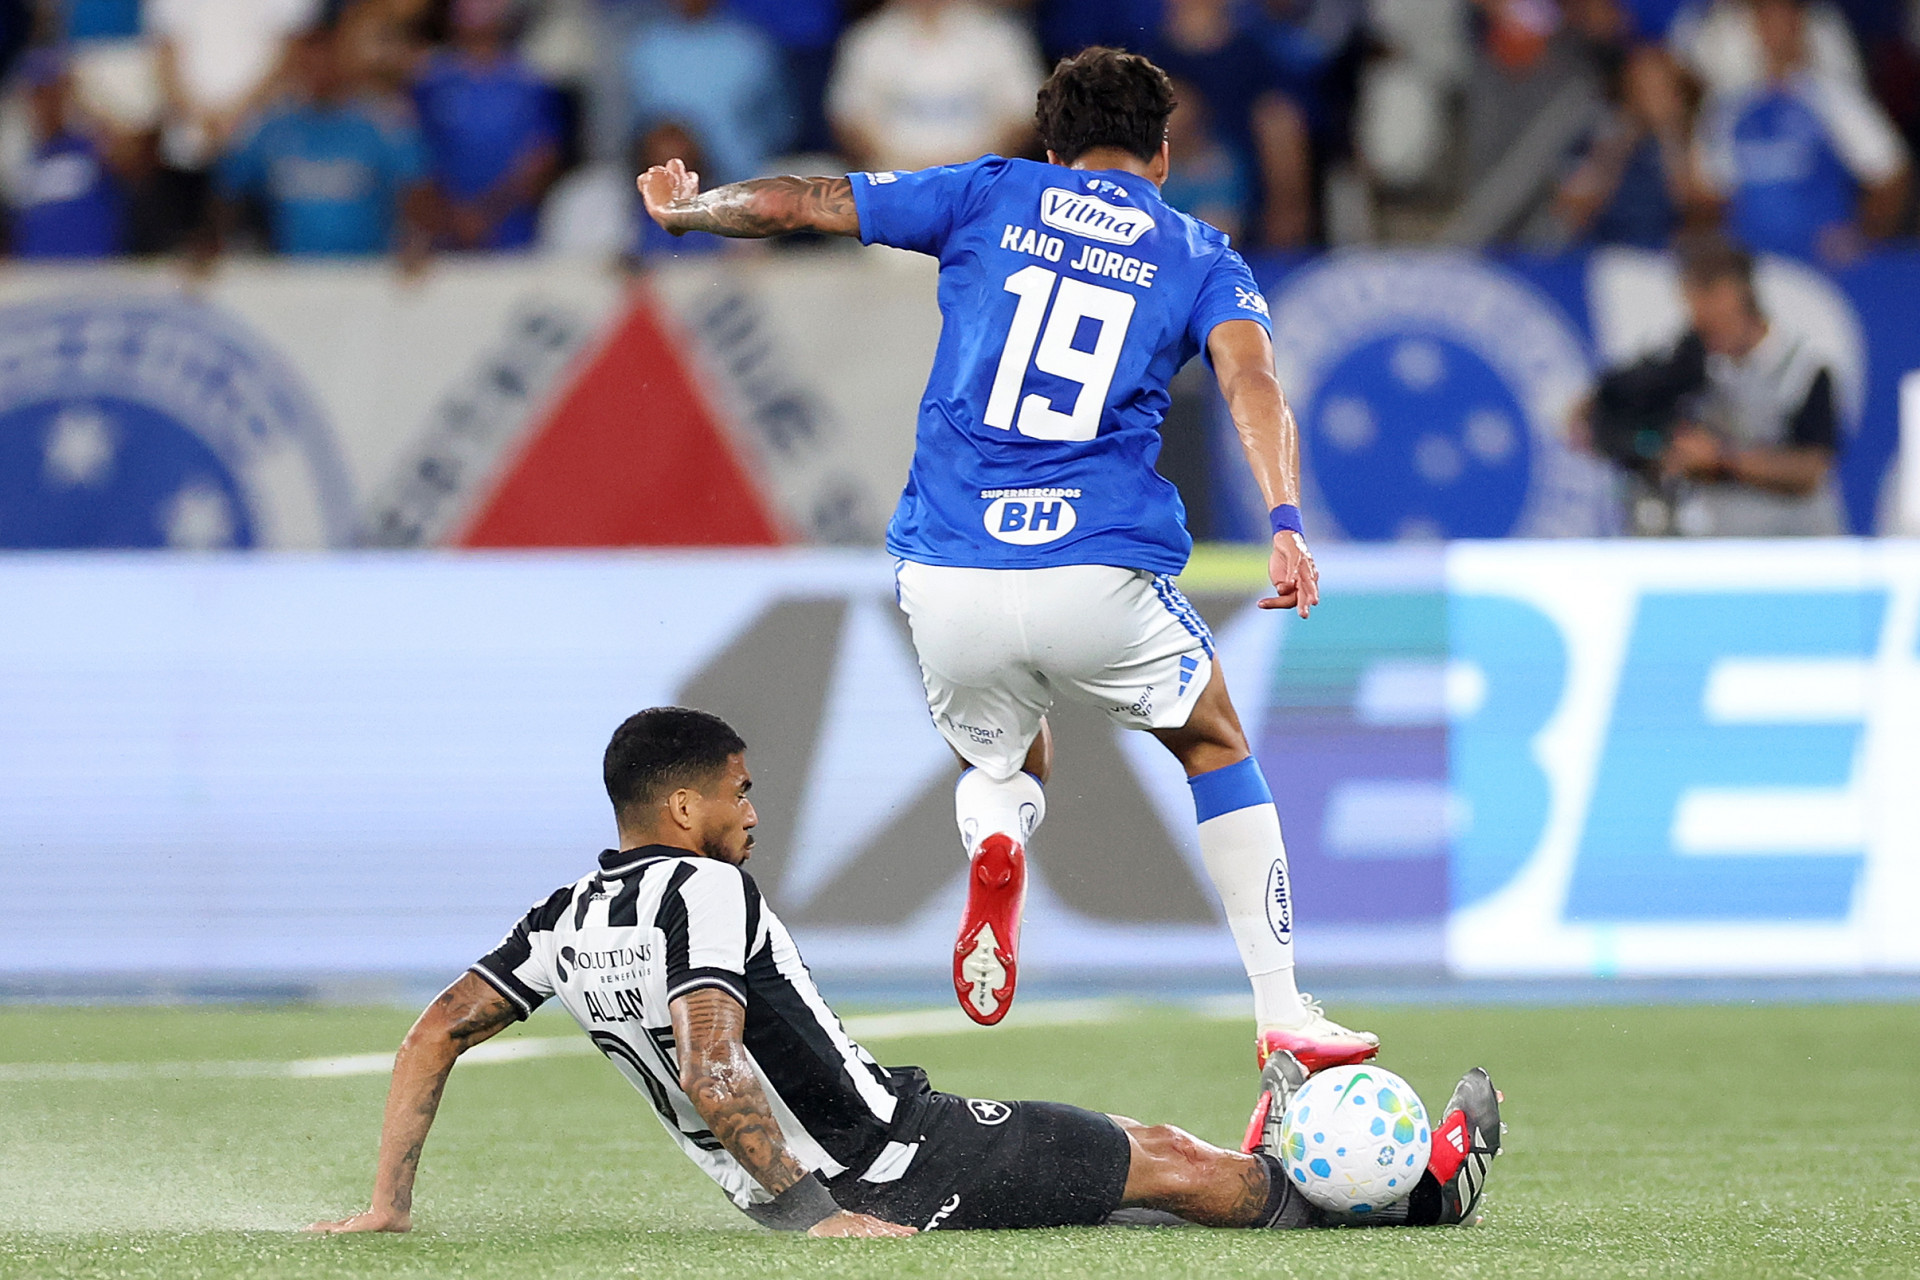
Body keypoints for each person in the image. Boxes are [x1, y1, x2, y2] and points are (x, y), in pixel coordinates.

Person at [637, 47, 1376, 1072]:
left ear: (1050, 144)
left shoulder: (988, 191)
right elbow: (1253, 384)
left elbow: (806, 202)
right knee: (1211, 742)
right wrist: (1284, 516)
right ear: (1161, 155)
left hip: (949, 569)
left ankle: (998, 841)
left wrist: (693, 209)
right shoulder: (1200, 250)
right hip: (1094, 569)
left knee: (1002, 758)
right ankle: (1282, 1007)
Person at [307, 708, 1504, 1237]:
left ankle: (1265, 1171)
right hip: (900, 1157)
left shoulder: (565, 916)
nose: (752, 811)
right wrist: (821, 1216)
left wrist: (389, 1203)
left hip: (852, 1161)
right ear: (683, 805)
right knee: (1173, 1161)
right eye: (738, 791)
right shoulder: (706, 890)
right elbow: (712, 1060)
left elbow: (433, 1033)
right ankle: (1414, 1198)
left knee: (1128, 1158)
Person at [1586, 231, 1844, 535]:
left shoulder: (1804, 368)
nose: (1699, 318)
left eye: (1707, 298)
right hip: (1723, 551)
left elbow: (1811, 469)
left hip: (1794, 550)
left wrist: (1722, 459)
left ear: (1736, 293)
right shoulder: (1689, 363)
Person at [1691, 0, 1908, 265]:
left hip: (1824, 264)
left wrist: (1864, 235)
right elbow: (1706, 192)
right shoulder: (1728, 106)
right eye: (1767, 21)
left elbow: (1891, 174)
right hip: (1755, 264)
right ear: (1753, 29)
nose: (1777, 30)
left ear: (1801, 26)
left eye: (1786, 19)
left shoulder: (1836, 97)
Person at [214, 24, 431, 258]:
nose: (319, 71)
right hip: (292, 274)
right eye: (310, 62)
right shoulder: (273, 127)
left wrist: (414, 243)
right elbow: (229, 186)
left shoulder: (378, 123)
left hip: (367, 273)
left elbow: (416, 187)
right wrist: (213, 241)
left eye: (326, 60)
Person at [411, 0, 563, 252]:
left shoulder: (531, 82)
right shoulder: (428, 80)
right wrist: (451, 214)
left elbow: (541, 156)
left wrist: (488, 212)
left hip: (512, 231)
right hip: (445, 232)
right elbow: (414, 154)